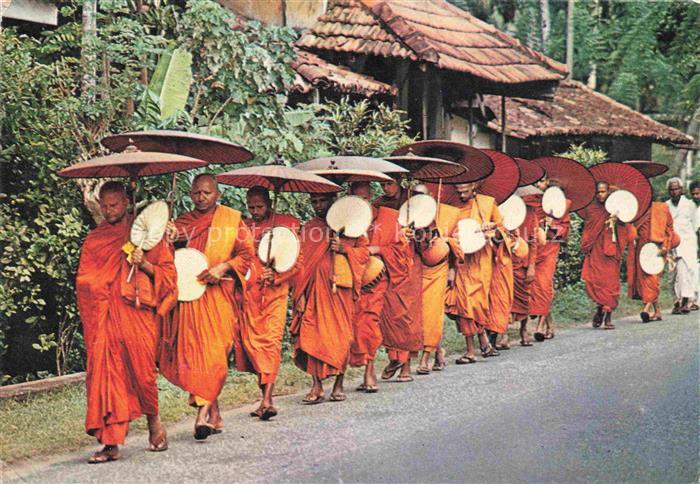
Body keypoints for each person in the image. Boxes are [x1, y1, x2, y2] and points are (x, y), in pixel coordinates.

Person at [76, 181, 176, 463]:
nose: (109, 211)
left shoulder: (149, 235)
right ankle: (111, 443)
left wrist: (142, 263)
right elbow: (84, 280)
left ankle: (154, 421)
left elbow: (168, 278)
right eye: (105, 206)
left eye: (115, 205)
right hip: (105, 315)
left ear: (127, 202)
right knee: (108, 375)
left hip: (136, 313)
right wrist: (101, 286)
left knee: (142, 372)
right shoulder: (96, 239)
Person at [159, 174, 255, 440]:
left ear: (218, 194)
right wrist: (168, 236)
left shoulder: (231, 220)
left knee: (214, 354)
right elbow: (169, 256)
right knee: (197, 356)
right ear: (190, 194)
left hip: (219, 295)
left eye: (207, 193)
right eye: (197, 193)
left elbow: (246, 254)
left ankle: (204, 414)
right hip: (191, 296)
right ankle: (209, 414)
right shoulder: (184, 222)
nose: (202, 198)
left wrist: (222, 267)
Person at [291, 193, 369, 403]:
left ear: (333, 201)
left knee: (340, 336)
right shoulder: (309, 228)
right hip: (313, 291)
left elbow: (364, 254)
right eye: (314, 201)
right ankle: (316, 386)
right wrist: (298, 293)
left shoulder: (351, 226)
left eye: (322, 200)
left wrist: (344, 250)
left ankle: (338, 385)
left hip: (340, 292)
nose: (318, 205)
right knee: (311, 334)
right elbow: (300, 263)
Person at [238, 186, 300, 419]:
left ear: (269, 204)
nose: (255, 211)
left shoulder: (286, 224)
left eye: (260, 207)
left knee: (270, 343)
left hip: (275, 293)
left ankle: (267, 399)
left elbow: (297, 261)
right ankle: (263, 396)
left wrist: (275, 276)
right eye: (251, 207)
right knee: (253, 345)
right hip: (251, 294)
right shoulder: (243, 227)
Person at [348, 181, 406, 391]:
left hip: (376, 281)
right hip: (351, 282)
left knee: (368, 324)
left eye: (364, 199)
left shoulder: (387, 218)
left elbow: (401, 252)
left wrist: (378, 249)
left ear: (371, 196)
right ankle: (345, 373)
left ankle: (369, 370)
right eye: (356, 199)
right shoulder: (345, 220)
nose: (361, 203)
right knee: (351, 327)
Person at [446, 182, 502, 363]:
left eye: (465, 191)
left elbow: (503, 231)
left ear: (474, 186)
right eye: (458, 191)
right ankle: (472, 349)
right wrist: (452, 268)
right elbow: (449, 235)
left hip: (481, 261)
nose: (461, 195)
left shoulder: (487, 204)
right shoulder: (453, 209)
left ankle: (483, 341)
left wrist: (491, 229)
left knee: (476, 304)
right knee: (462, 305)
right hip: (461, 260)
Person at [374, 179, 423, 382]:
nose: (386, 189)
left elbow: (430, 232)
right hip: (387, 265)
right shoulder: (378, 205)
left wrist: (416, 234)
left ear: (400, 182)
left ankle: (407, 367)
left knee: (407, 315)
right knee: (388, 315)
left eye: (390, 184)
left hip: (410, 264)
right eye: (382, 185)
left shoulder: (416, 201)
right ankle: (394, 358)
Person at [579, 182, 637, 329]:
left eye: (603, 192)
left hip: (611, 253)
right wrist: (587, 246)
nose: (600, 195)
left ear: (608, 193)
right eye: (598, 192)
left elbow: (628, 229)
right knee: (594, 282)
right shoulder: (591, 209)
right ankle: (600, 307)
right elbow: (588, 230)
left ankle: (608, 317)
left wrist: (618, 219)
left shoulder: (617, 208)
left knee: (611, 284)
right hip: (596, 252)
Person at [416, 185, 460, 374]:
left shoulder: (446, 215)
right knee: (422, 314)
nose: (421, 199)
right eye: (417, 196)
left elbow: (456, 242)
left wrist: (452, 268)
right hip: (418, 269)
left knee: (433, 312)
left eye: (424, 196)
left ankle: (425, 357)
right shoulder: (410, 216)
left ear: (431, 197)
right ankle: (438, 350)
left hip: (439, 268)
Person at [626, 187, 679, 322]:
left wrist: (666, 247)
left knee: (653, 279)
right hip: (642, 249)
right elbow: (632, 230)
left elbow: (669, 230)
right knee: (644, 280)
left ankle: (646, 309)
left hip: (657, 248)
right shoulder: (638, 211)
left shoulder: (662, 209)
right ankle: (658, 311)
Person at [530, 177, 571, 340]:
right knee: (535, 288)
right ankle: (550, 325)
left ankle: (540, 327)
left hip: (550, 249)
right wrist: (539, 222)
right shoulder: (534, 203)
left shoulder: (561, 205)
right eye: (536, 182)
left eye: (541, 182)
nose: (537, 185)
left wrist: (552, 225)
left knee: (544, 285)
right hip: (535, 248)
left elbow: (565, 229)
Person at [510, 187, 542, 346]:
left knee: (524, 298)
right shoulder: (504, 210)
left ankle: (523, 329)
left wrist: (531, 266)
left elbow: (534, 241)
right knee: (505, 298)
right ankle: (503, 334)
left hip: (523, 263)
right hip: (506, 262)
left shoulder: (531, 213)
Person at [666, 178, 699, 314]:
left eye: (677, 189)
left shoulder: (690, 205)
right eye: (672, 189)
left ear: (682, 189)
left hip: (687, 243)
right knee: (673, 275)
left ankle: (685, 300)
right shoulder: (665, 206)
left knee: (684, 271)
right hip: (671, 244)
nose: (675, 192)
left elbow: (696, 225)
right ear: (668, 191)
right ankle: (678, 301)